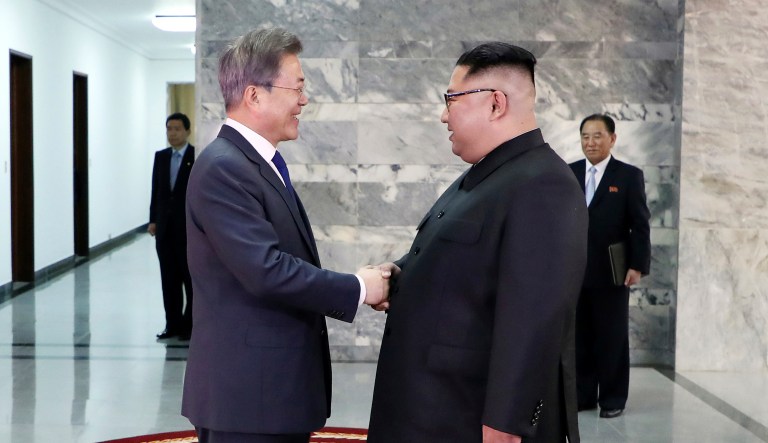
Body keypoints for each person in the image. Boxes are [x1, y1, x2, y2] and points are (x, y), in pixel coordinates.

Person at [367, 42, 588, 443]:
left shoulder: (543, 184)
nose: (442, 115)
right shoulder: (488, 174)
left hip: (467, 416)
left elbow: (534, 318)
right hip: (434, 405)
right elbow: (463, 267)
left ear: (495, 104)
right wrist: (397, 276)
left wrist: (506, 423)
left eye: (451, 99)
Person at [181, 28, 389, 443]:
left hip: (267, 392)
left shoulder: (255, 161)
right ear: (255, 95)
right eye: (297, 87)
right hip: (247, 397)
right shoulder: (224, 167)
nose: (304, 100)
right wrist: (359, 288)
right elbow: (267, 270)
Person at [569, 114, 651, 419]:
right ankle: (583, 394)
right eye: (585, 137)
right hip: (575, 272)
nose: (591, 142)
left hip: (613, 272)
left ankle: (613, 398)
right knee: (579, 336)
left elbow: (640, 225)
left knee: (612, 337)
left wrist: (637, 265)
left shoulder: (628, 176)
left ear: (612, 139)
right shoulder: (569, 173)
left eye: (597, 136)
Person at [149, 112, 195, 340]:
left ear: (187, 131)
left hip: (187, 230)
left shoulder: (196, 155)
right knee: (169, 280)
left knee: (190, 279)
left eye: (177, 128)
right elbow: (156, 190)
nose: (172, 133)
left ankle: (189, 326)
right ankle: (172, 324)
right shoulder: (161, 157)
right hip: (165, 230)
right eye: (169, 128)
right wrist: (153, 220)